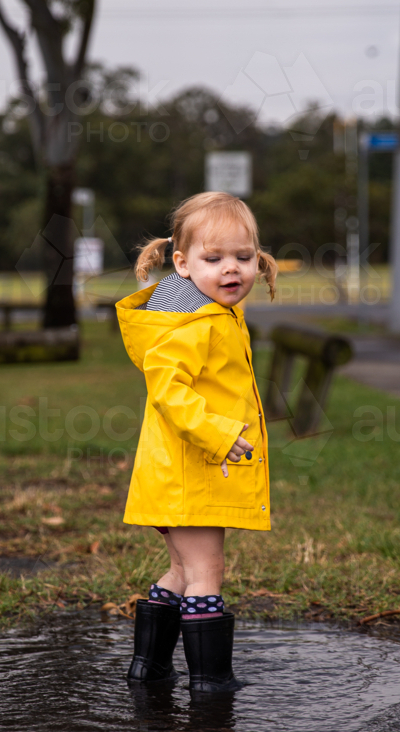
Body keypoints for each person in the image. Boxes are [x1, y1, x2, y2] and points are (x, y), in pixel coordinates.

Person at [116, 192, 277, 693]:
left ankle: (150, 667)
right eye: (214, 259)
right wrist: (221, 432)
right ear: (182, 265)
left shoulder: (212, 314)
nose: (232, 270)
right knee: (207, 571)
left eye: (243, 258)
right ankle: (210, 680)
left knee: (183, 571)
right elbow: (167, 389)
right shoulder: (194, 324)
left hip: (178, 475)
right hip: (191, 474)